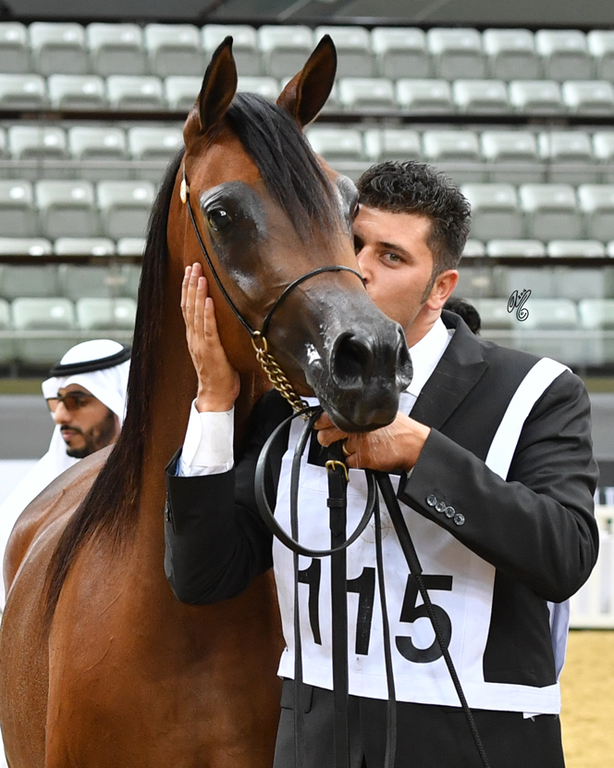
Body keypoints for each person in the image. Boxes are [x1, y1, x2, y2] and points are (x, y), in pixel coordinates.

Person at [164, 161, 598, 768]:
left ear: (439, 288)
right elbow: (201, 576)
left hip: (480, 737)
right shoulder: (291, 399)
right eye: (354, 243)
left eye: (392, 257)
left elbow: (566, 554)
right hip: (314, 736)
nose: (360, 268)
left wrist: (420, 453)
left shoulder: (536, 390)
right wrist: (213, 402)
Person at [0, 339, 130, 608]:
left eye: (76, 401)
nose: (60, 416)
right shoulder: (37, 491)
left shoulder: (157, 492)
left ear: (118, 402)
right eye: (57, 401)